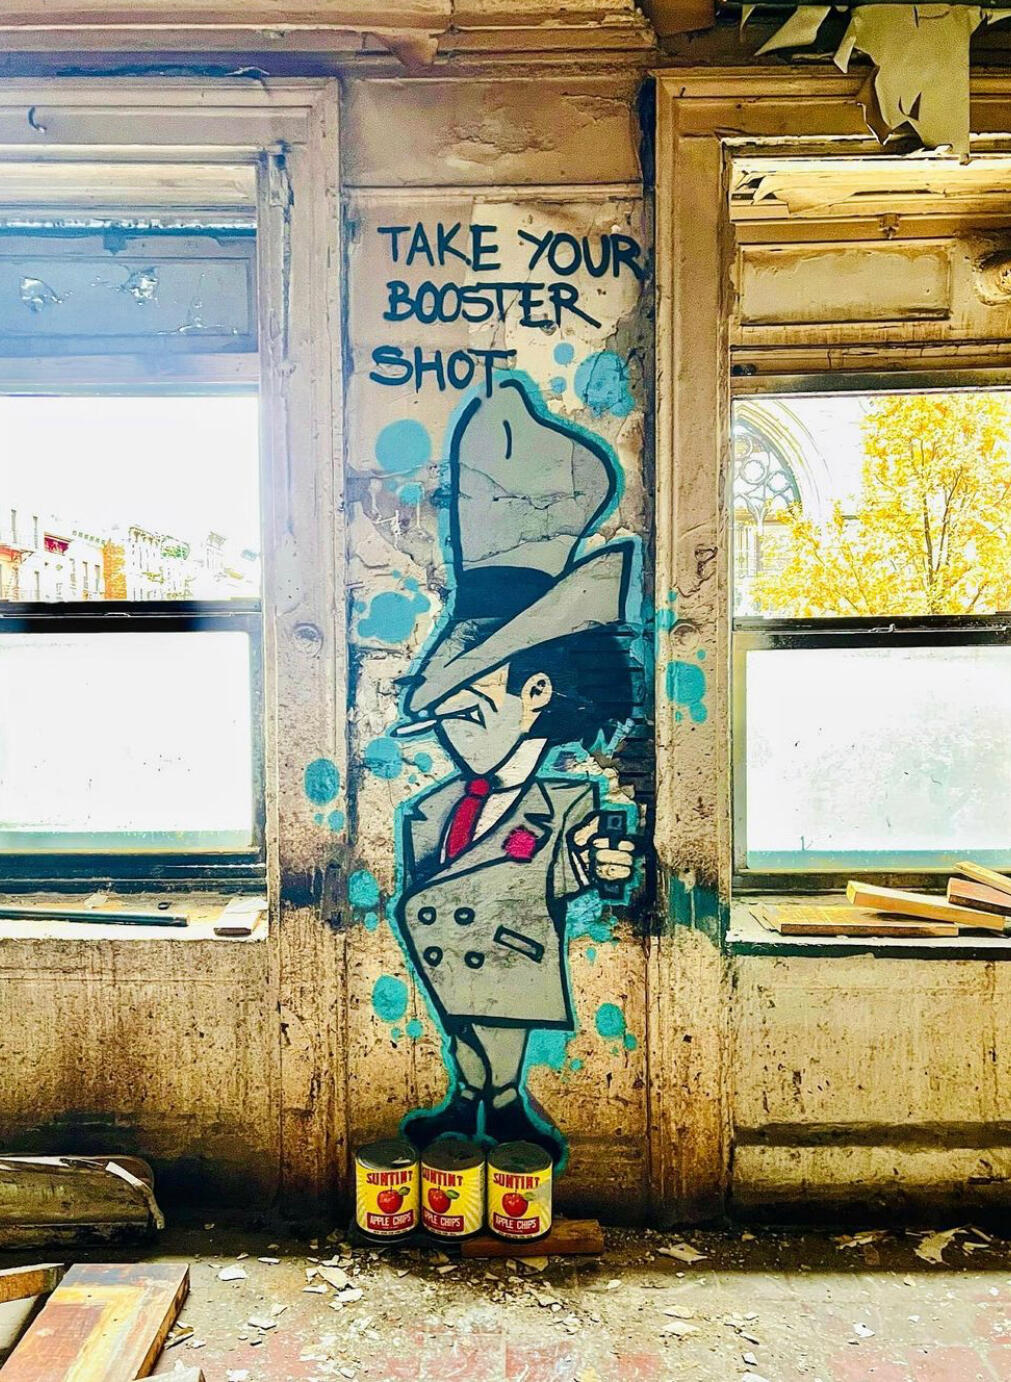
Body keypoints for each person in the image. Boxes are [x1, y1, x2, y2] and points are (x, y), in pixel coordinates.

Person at [391, 376, 640, 1161]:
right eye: (446, 719)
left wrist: (602, 866)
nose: (457, 735)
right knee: (464, 1030)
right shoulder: (429, 811)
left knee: (494, 1028)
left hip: (513, 957)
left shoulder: (565, 802)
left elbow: (581, 865)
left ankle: (500, 1104)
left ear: (536, 693)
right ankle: (472, 1098)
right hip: (449, 965)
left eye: (469, 711)